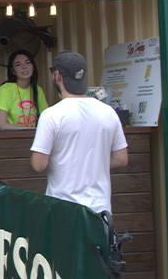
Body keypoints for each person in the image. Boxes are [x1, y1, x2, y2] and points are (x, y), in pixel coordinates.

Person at [30, 51, 128, 216]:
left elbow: (38, 165)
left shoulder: (51, 115)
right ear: (84, 76)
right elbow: (121, 159)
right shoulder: (109, 112)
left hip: (64, 210)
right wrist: (92, 163)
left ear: (58, 75)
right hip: (100, 209)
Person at [0, 50, 51, 130]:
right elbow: (2, 125)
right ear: (13, 71)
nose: (24, 67)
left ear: (33, 67)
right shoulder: (5, 89)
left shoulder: (37, 89)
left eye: (27, 63)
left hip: (32, 138)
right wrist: (34, 130)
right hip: (9, 139)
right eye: (18, 65)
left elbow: (47, 119)